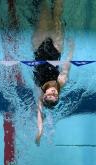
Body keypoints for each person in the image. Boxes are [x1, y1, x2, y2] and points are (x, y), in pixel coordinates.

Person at [32, 0, 74, 145]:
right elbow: (67, 66)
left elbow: (39, 113)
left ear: (44, 96)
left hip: (38, 46)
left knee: (43, 9)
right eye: (55, 96)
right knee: (57, 12)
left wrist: (40, 131)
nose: (52, 93)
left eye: (49, 95)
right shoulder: (61, 82)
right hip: (56, 48)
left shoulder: (40, 90)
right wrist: (71, 50)